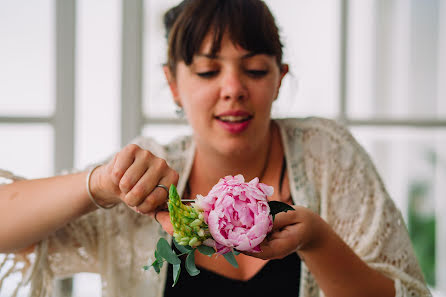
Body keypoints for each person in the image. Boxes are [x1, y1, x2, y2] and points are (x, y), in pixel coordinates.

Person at [0, 0, 431, 296]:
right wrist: (98, 185)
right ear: (173, 83)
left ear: (279, 78)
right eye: (208, 71)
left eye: (256, 70)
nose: (233, 89)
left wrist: (317, 240)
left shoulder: (327, 155)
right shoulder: (146, 177)